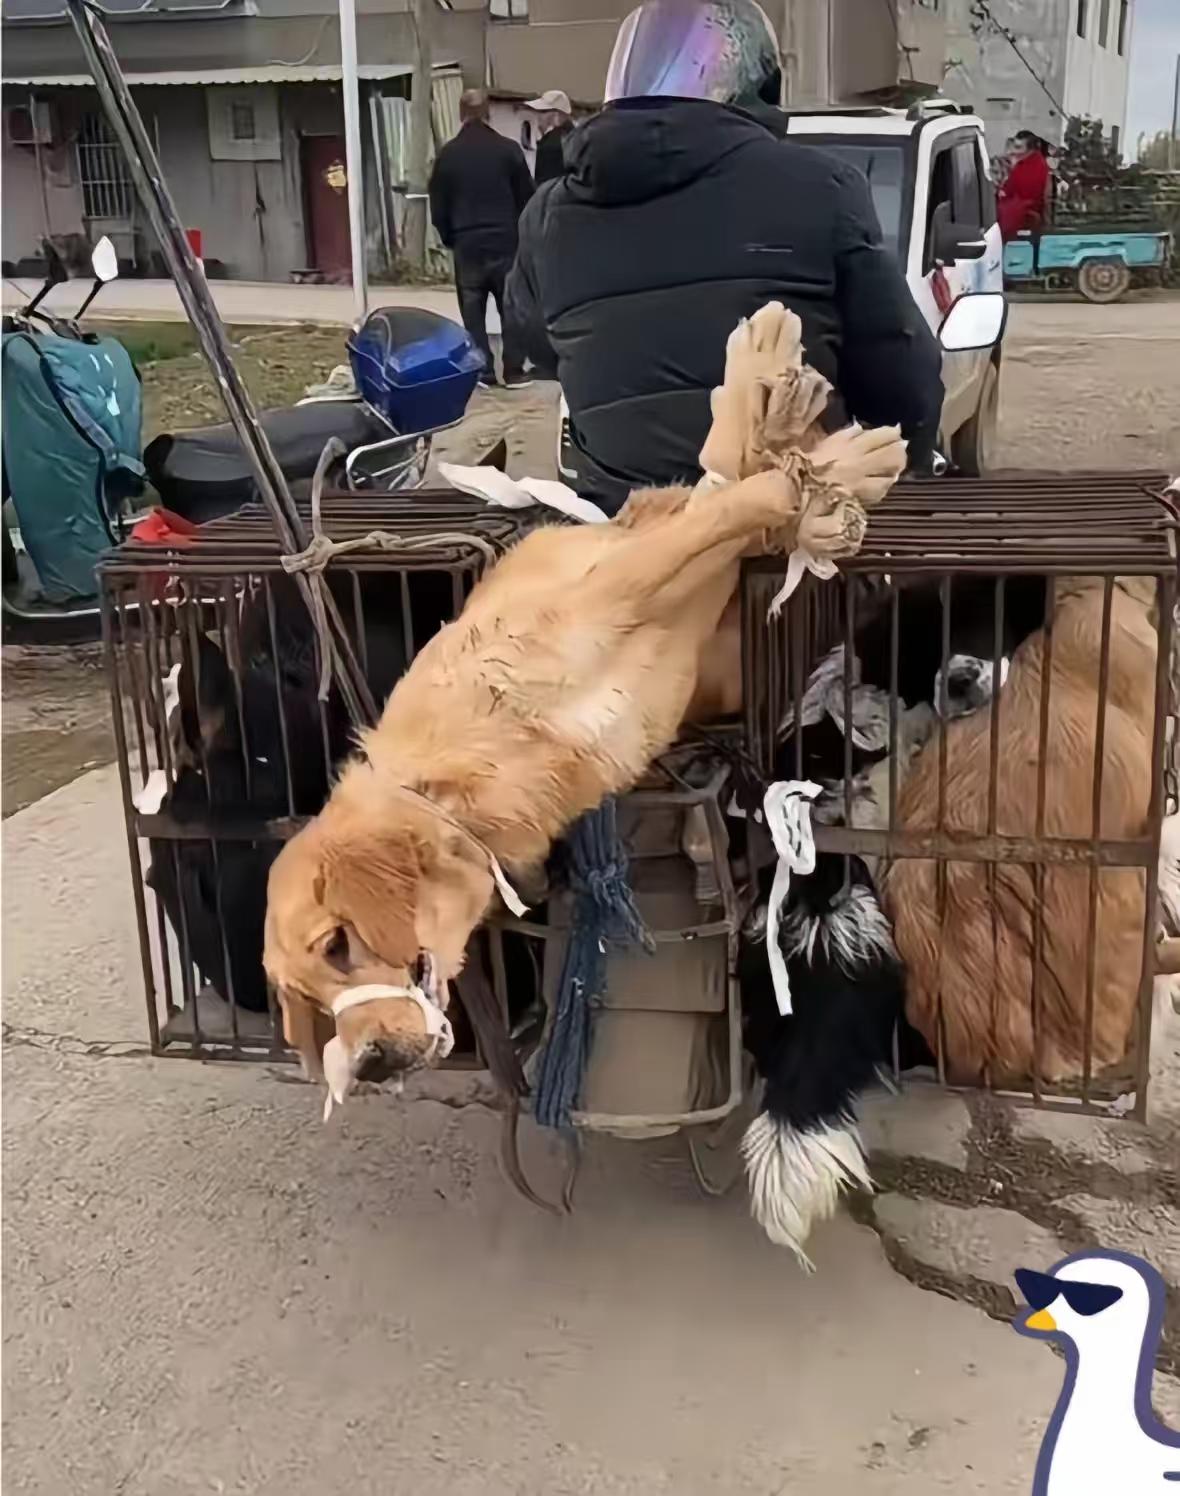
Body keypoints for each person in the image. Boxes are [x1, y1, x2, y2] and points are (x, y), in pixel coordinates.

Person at [506, 0, 943, 513]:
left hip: (625, 529)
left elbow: (538, 342)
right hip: (784, 523)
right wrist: (903, 456)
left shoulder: (547, 215)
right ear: (759, 88)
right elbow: (901, 373)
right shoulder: (822, 188)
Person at [428, 88, 535, 388]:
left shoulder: (448, 155)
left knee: (472, 310)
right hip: (505, 238)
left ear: (461, 114)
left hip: (467, 241)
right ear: (487, 113)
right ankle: (514, 370)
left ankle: (483, 369)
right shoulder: (508, 150)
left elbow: (439, 204)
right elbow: (527, 198)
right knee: (510, 306)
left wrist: (449, 236)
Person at [998, 130, 1051, 243]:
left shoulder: (1035, 165)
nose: (1014, 151)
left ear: (1030, 149)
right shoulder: (1022, 162)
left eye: (1018, 148)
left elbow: (1026, 193)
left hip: (1025, 208)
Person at [526, 89, 575, 184]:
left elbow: (544, 183)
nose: (537, 116)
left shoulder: (550, 145)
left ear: (556, 115)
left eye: (542, 111)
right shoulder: (576, 136)